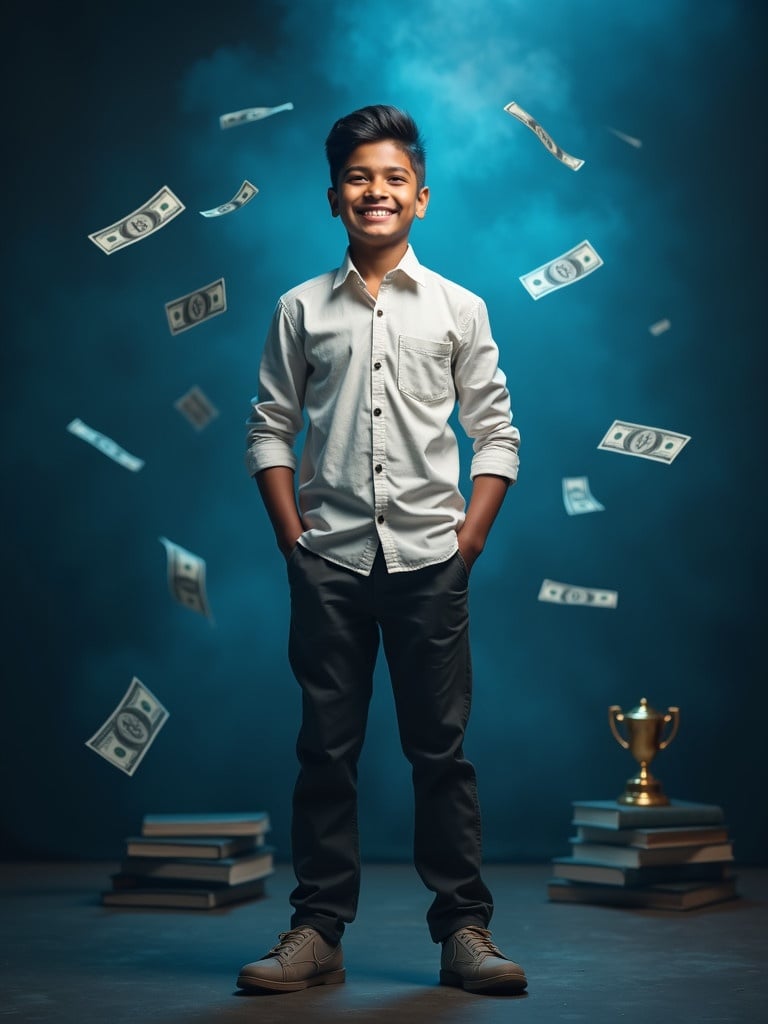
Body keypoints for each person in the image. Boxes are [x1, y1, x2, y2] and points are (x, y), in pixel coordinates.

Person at [237, 104, 525, 996]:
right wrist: (294, 541)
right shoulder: (299, 308)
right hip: (329, 564)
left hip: (431, 566)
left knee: (441, 752)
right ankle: (317, 932)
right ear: (334, 198)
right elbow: (269, 429)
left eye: (394, 177)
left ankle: (464, 933)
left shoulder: (459, 308)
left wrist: (466, 544)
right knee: (325, 749)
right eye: (360, 177)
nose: (377, 190)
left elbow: (498, 435)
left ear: (422, 197)